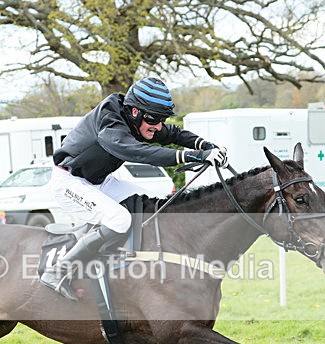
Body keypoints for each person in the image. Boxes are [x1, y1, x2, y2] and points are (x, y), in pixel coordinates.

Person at [40, 76, 228, 300]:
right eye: (154, 119)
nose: (158, 126)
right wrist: (193, 155)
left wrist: (206, 146)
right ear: (136, 111)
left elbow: (173, 134)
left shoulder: (137, 118)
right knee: (119, 220)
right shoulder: (110, 122)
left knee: (157, 201)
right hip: (69, 183)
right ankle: (58, 271)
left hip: (100, 181)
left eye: (162, 119)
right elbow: (138, 152)